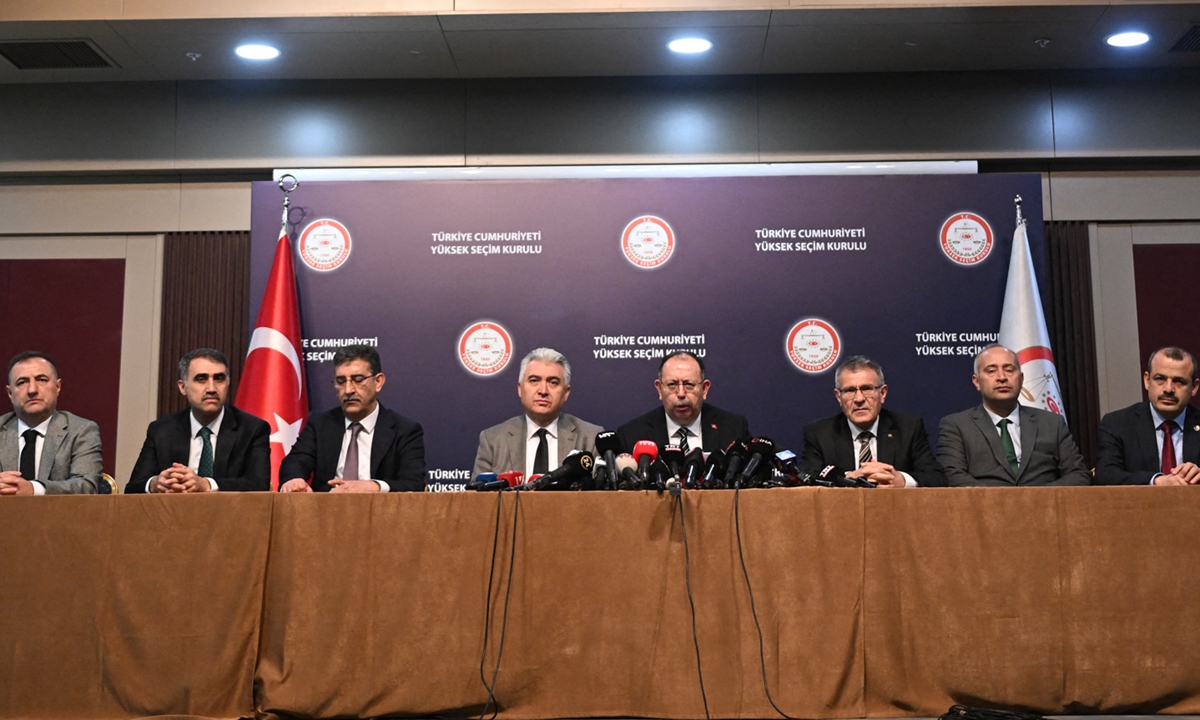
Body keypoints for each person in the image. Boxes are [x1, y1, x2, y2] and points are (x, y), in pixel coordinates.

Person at [937, 344, 1090, 487]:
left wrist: (1034, 499)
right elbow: (953, 476)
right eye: (991, 371)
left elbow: (1078, 474)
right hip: (984, 511)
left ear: (1022, 379)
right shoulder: (956, 426)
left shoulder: (1051, 423)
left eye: (1009, 370)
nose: (1002, 377)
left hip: (1045, 510)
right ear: (977, 381)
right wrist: (1008, 502)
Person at [279, 344, 426, 493]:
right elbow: (293, 464)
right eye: (341, 381)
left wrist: (374, 486)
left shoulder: (405, 430)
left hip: (381, 512)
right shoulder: (320, 424)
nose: (348, 390)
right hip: (326, 511)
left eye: (358, 379)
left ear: (378, 382)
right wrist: (294, 480)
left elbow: (414, 483)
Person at [127, 348, 270, 493]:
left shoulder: (252, 429)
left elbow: (259, 484)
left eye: (219, 379)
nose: (211, 388)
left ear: (228, 383)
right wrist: (155, 484)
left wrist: (206, 484)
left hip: (229, 514)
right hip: (174, 513)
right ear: (183, 387)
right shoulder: (161, 430)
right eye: (201, 379)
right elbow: (133, 488)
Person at [802, 355, 946, 487]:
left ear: (882, 393)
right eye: (850, 390)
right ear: (839, 397)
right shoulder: (819, 434)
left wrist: (901, 481)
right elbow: (807, 480)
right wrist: (848, 478)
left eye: (867, 388)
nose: (859, 399)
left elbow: (936, 478)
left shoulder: (908, 428)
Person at [473, 348, 603, 478]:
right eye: (534, 380)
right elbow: (477, 497)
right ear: (520, 389)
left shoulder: (590, 438)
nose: (543, 391)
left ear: (566, 393)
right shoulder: (493, 439)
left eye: (553, 382)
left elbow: (603, 496)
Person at [0, 351, 102, 495]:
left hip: (61, 516)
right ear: (10, 393)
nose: (32, 390)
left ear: (58, 386)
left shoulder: (81, 431)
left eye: (41, 380)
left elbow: (86, 486)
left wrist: (33, 489)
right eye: (22, 382)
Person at [1095, 346, 1200, 485]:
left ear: (1194, 387)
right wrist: (1156, 481)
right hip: (1136, 506)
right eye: (1160, 378)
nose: (1168, 389)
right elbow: (1105, 475)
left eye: (1179, 381)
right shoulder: (1117, 423)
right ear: (1147, 380)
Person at [616, 351, 750, 455]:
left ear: (704, 389)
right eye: (672, 384)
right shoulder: (632, 435)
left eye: (689, 384)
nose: (681, 393)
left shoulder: (733, 429)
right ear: (660, 389)